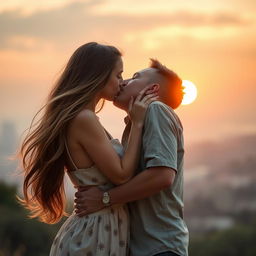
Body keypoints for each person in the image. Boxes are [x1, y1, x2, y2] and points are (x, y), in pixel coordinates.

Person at [19, 42, 158, 256]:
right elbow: (121, 175)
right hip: (94, 233)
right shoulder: (84, 119)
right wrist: (137, 123)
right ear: (99, 75)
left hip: (100, 229)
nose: (121, 83)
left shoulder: (83, 118)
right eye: (118, 75)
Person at [75, 59, 189, 256]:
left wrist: (104, 199)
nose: (123, 82)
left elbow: (162, 176)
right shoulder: (137, 123)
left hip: (160, 248)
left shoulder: (157, 110)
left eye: (134, 77)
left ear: (152, 89)